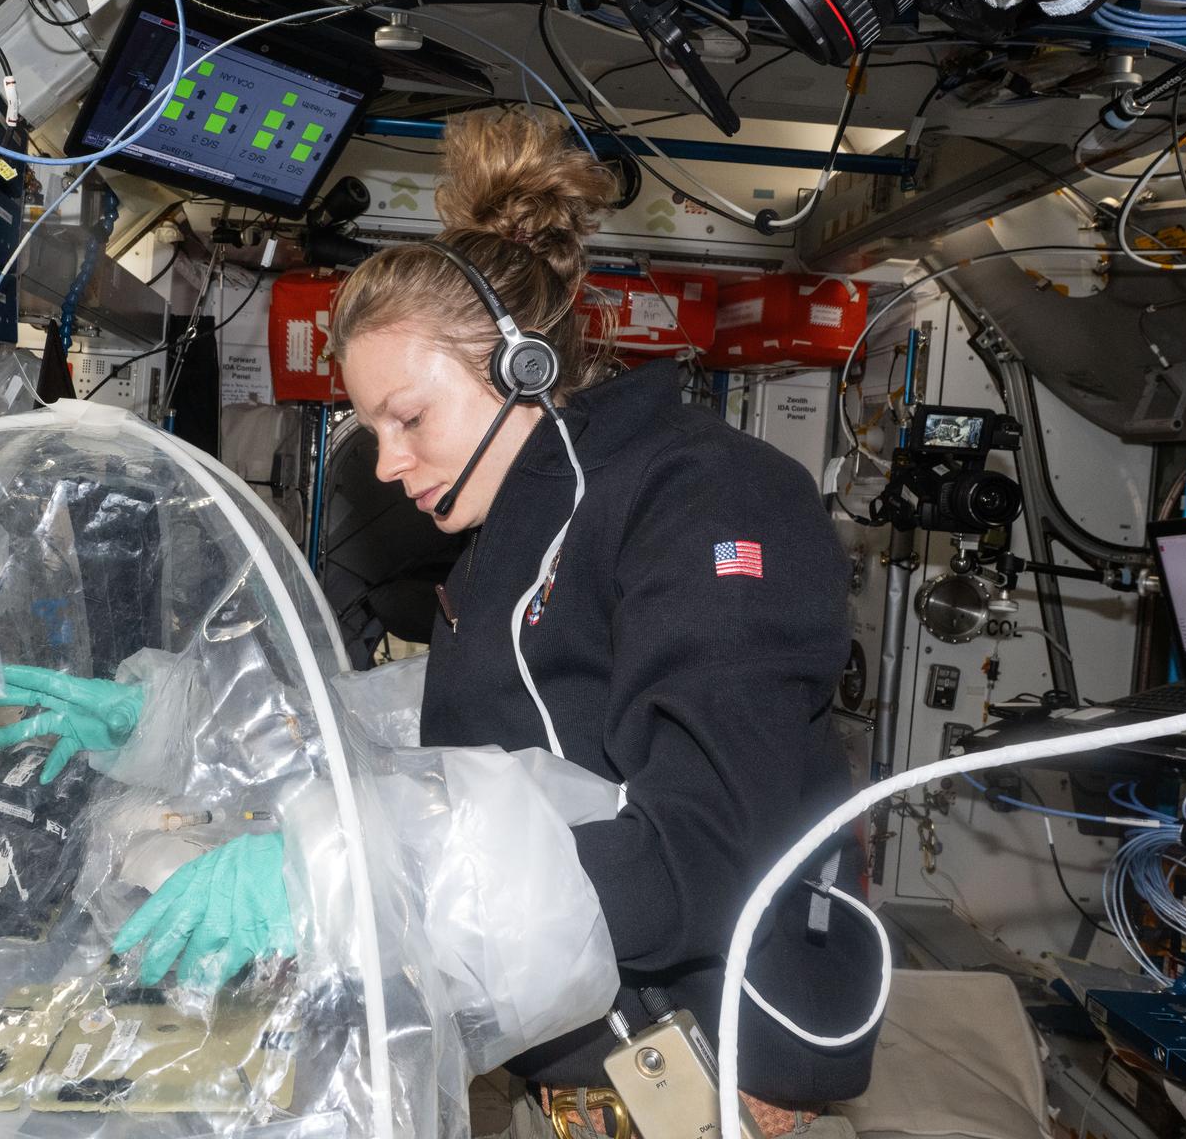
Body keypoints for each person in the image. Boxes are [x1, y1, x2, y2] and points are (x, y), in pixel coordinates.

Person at [327, 110, 881, 1135]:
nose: (390, 463)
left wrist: (371, 896)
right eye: (371, 433)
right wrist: (205, 724)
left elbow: (702, 850)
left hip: (713, 1064)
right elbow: (501, 734)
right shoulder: (516, 531)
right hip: (571, 1035)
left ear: (523, 366)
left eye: (409, 418)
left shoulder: (709, 495)